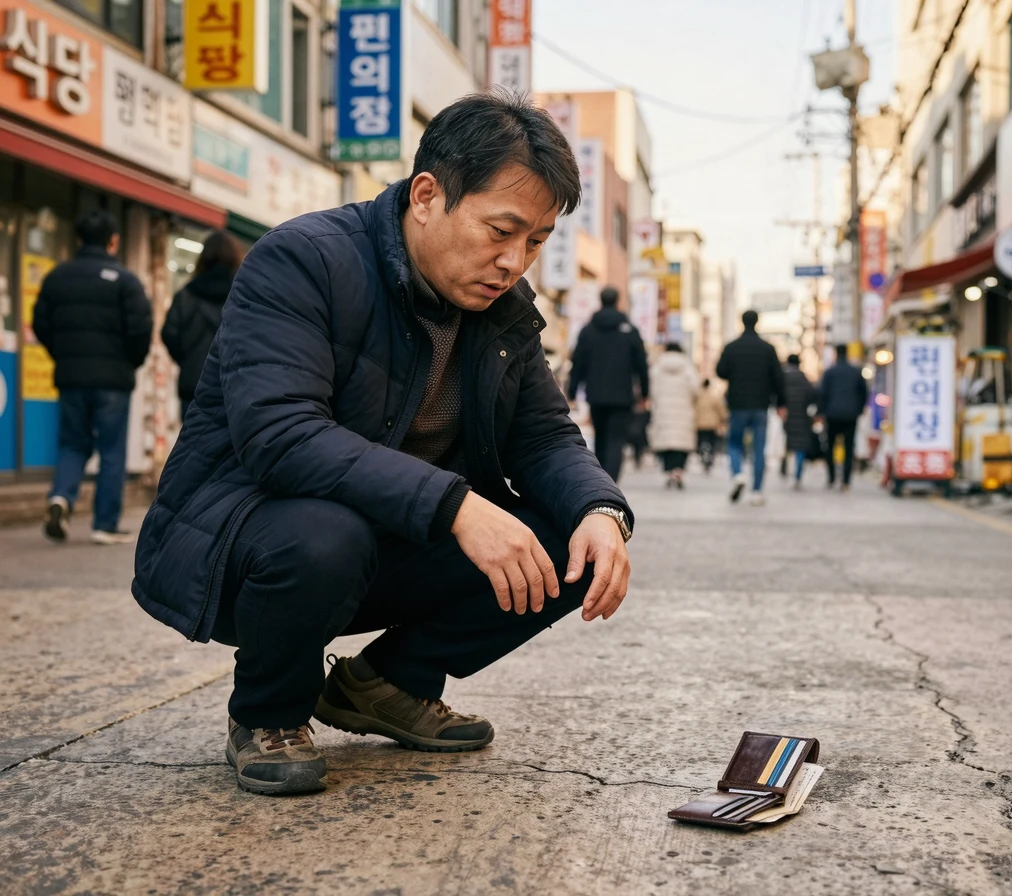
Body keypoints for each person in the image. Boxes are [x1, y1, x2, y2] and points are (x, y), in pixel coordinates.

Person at [131, 92, 634, 797]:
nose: (514, 261)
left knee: (568, 543)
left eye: (538, 240)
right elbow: (280, 436)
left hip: (391, 538)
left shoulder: (505, 313)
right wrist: (457, 506)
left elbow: (544, 434)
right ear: (427, 195)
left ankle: (386, 684)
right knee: (324, 533)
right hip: (256, 535)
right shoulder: (304, 260)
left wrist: (601, 512)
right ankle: (269, 713)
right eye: (501, 230)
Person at [33, 209, 153, 545]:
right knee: (112, 450)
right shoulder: (125, 280)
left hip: (71, 376)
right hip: (114, 379)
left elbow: (40, 323)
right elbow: (141, 327)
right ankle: (104, 524)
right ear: (113, 242)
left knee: (73, 442)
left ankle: (61, 497)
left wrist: (64, 354)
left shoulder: (57, 277)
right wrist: (130, 361)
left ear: (78, 240)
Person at [567, 286, 648, 482]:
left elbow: (578, 362)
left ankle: (601, 478)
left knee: (601, 436)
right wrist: (645, 392)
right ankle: (611, 481)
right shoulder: (629, 330)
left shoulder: (588, 330)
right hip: (622, 395)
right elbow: (641, 364)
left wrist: (571, 391)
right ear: (617, 300)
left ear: (601, 300)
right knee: (616, 439)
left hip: (595, 393)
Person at [161, 230, 244, 420]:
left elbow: (169, 334)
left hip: (193, 384)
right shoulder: (242, 296)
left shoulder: (186, 295)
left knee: (191, 445)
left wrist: (187, 358)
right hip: (232, 386)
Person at [715, 309, 786, 506]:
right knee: (759, 448)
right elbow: (778, 378)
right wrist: (781, 403)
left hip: (737, 404)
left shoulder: (732, 347)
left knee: (734, 443)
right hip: (761, 405)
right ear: (757, 323)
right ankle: (756, 491)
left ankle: (738, 473)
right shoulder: (767, 349)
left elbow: (720, 371)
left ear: (741, 322)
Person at [648, 343, 699, 489]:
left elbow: (652, 390)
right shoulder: (688, 367)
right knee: (681, 443)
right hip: (684, 410)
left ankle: (669, 471)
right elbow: (695, 389)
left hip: (663, 409)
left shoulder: (657, 367)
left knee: (666, 443)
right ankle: (679, 470)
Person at [818, 344, 869, 492]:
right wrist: (859, 410)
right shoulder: (855, 371)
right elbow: (863, 393)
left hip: (832, 415)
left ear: (835, 353)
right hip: (850, 416)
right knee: (848, 448)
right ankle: (846, 481)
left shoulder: (829, 372)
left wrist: (821, 412)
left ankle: (831, 478)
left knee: (830, 447)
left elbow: (823, 394)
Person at [781, 354, 818, 490]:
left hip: (786, 417)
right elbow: (813, 395)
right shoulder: (804, 379)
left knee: (784, 444)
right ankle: (797, 476)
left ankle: (783, 467)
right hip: (802, 417)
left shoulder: (782, 378)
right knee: (800, 448)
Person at [694, 377, 727, 474]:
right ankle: (709, 459)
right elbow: (721, 409)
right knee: (712, 443)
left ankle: (703, 455)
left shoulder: (697, 397)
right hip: (712, 425)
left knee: (700, 442)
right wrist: (724, 419)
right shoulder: (714, 396)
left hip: (699, 424)